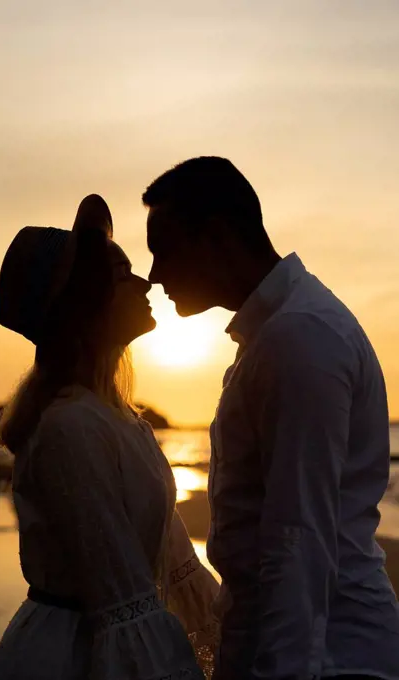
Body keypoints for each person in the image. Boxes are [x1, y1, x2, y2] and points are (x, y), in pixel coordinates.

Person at [143, 157, 399, 680]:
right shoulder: (278, 333)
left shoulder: (299, 339)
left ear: (216, 236)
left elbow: (297, 538)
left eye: (164, 250)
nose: (154, 274)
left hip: (329, 657)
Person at [0, 194, 219, 680]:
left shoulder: (119, 419)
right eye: (120, 273)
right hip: (74, 657)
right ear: (85, 299)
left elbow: (172, 561)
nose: (144, 282)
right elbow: (122, 598)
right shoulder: (71, 426)